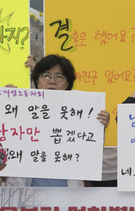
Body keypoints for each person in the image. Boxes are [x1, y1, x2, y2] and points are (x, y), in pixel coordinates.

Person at [27, 54, 109, 187]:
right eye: (46, 76)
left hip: (67, 194)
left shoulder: (81, 111)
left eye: (59, 76)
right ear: (37, 81)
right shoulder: (22, 108)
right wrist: (4, 101)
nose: (52, 81)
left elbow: (90, 153)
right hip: (27, 194)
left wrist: (100, 126)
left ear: (67, 83)